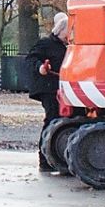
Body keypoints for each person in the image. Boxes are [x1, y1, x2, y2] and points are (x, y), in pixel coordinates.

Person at [25, 11, 70, 170]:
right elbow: (31, 59)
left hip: (59, 88)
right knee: (52, 118)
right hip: (48, 88)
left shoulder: (66, 46)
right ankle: (44, 160)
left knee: (56, 119)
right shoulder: (46, 44)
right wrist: (40, 69)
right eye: (68, 30)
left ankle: (52, 157)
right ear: (60, 30)